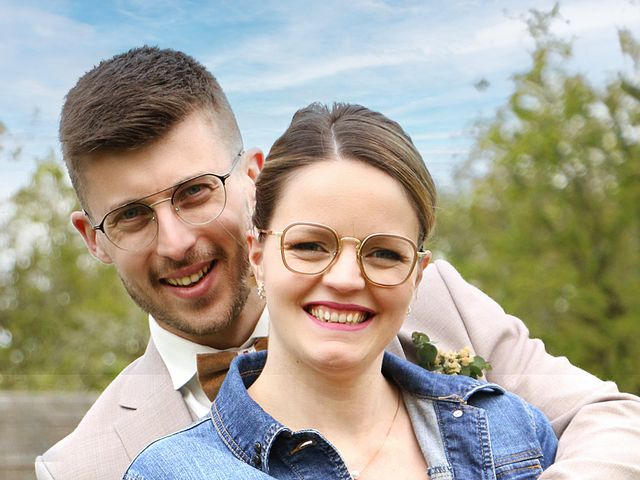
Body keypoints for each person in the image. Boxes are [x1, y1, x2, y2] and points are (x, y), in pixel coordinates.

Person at [35, 46, 640, 480]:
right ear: (92, 237)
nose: (174, 242)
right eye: (132, 216)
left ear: (253, 178)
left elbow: (610, 417)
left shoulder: (426, 295)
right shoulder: (88, 466)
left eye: (195, 191)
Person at [125, 102, 559, 479]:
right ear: (258, 254)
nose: (347, 279)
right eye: (310, 246)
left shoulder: (512, 432)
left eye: (385, 254)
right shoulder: (170, 473)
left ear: (417, 275)